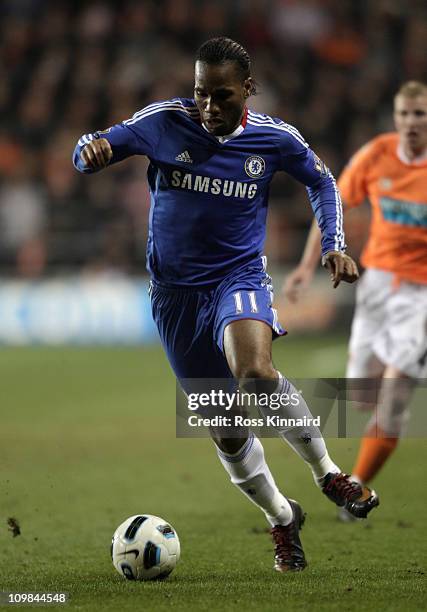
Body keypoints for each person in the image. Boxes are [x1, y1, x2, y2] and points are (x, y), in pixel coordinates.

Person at [73, 37, 378, 571]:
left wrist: (334, 244)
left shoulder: (274, 138)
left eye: (222, 96)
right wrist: (88, 152)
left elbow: (323, 182)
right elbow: (95, 145)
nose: (209, 107)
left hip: (237, 277)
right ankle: (283, 518)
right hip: (175, 297)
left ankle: (329, 473)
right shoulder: (165, 121)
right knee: (226, 426)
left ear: (248, 91)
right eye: (200, 95)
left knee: (255, 372)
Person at [284, 80, 427, 520]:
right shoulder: (376, 155)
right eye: (404, 114)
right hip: (377, 285)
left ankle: (355, 493)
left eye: (420, 114)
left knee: (394, 396)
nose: (410, 123)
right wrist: (307, 266)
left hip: (421, 294)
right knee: (362, 397)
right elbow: (334, 205)